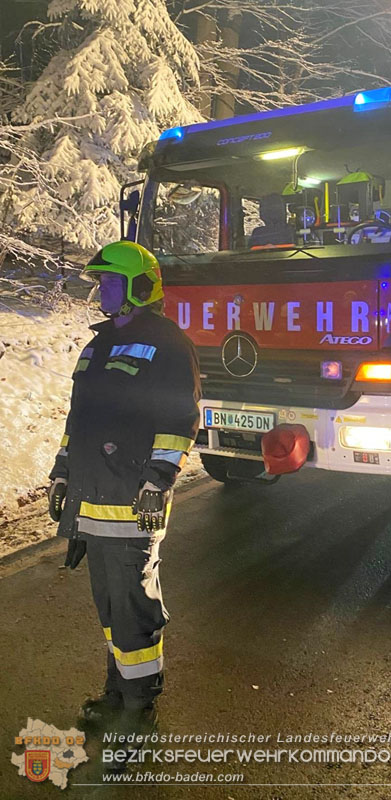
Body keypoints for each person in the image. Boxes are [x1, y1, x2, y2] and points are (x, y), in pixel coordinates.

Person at [47, 241, 200, 736]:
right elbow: (79, 420)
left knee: (134, 607)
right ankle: (117, 691)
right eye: (100, 282)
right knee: (110, 607)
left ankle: (140, 708)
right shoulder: (98, 344)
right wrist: (61, 472)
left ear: (138, 286)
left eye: (110, 282)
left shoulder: (168, 344)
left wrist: (158, 480)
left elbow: (179, 420)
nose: (101, 291)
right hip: (92, 501)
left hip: (136, 503)